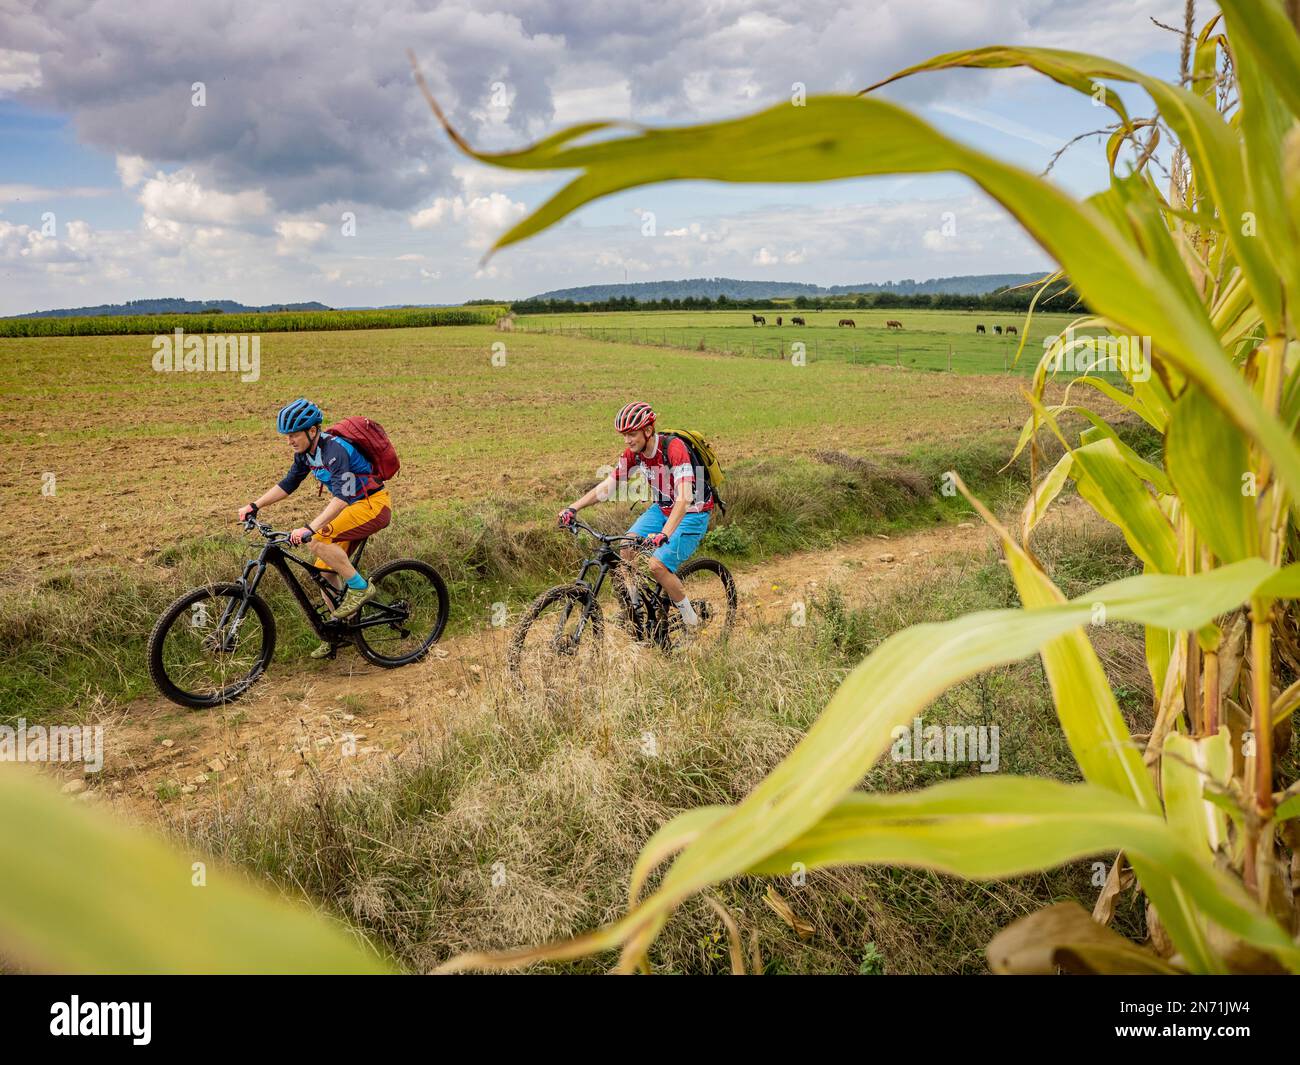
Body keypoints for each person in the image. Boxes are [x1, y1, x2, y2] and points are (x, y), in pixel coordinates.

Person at [236, 399, 392, 656]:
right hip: (352, 506)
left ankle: (360, 587)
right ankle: (337, 633)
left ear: (312, 431)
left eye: (294, 435)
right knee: (324, 572)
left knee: (318, 541)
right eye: (287, 436)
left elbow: (342, 497)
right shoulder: (306, 454)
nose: (290, 441)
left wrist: (310, 528)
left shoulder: (334, 450)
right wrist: (255, 505)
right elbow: (288, 484)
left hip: (371, 505)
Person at [557, 401, 712, 627]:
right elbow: (608, 486)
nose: (627, 440)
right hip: (662, 507)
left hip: (692, 512)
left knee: (657, 565)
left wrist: (664, 534)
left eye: (632, 434)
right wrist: (574, 507)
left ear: (648, 431)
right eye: (624, 435)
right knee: (626, 548)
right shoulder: (634, 454)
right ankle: (636, 610)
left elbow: (685, 497)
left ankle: (692, 622)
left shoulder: (674, 449)